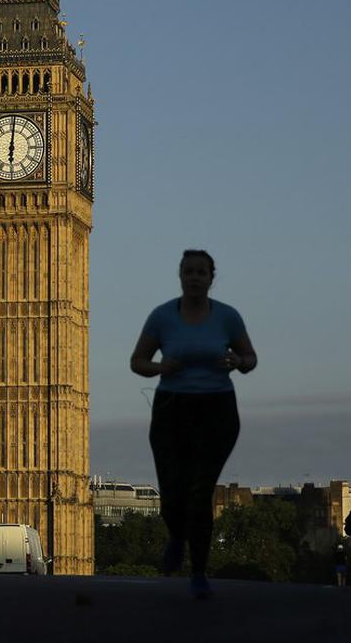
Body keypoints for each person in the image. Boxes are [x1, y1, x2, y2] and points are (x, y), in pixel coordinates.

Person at [130, 249, 257, 600]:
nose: (195, 277)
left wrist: (237, 360)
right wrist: (160, 368)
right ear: (181, 276)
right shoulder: (162, 317)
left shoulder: (228, 318)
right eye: (189, 271)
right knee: (172, 488)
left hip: (217, 409)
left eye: (202, 271)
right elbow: (137, 361)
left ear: (211, 277)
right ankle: (175, 534)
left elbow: (250, 358)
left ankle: (199, 570)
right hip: (172, 407)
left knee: (201, 491)